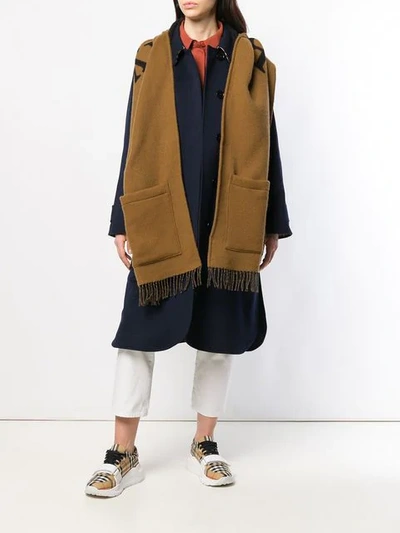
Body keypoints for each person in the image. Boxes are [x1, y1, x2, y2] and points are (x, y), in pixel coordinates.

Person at [85, 0, 292, 498]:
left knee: (219, 335)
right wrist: (121, 218)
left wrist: (272, 221)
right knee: (137, 336)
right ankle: (122, 454)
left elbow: (268, 143)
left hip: (230, 212)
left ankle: (204, 444)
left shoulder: (250, 59)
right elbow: (134, 138)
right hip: (163, 212)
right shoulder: (152, 55)